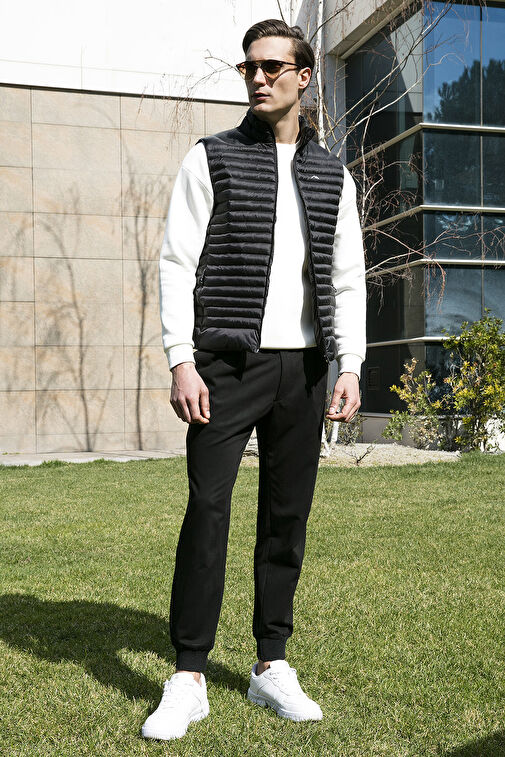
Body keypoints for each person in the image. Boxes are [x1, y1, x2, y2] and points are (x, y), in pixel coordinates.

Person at [141, 18, 366, 742]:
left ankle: (272, 663)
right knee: (207, 509)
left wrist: (350, 364)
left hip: (303, 370)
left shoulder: (332, 174)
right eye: (250, 68)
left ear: (304, 76)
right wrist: (181, 358)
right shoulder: (211, 158)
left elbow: (347, 278)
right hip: (225, 366)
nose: (259, 78)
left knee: (285, 518)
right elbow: (176, 262)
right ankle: (188, 675)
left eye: (273, 66)